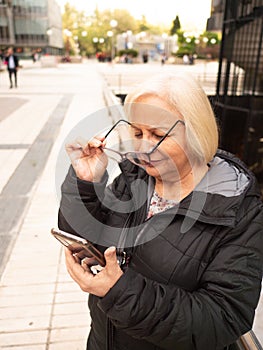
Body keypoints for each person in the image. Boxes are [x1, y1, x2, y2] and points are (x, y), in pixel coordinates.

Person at [58, 72, 263, 350]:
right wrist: (86, 182)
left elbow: (224, 319)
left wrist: (118, 293)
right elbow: (88, 236)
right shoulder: (133, 179)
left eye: (157, 134)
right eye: (137, 132)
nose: (143, 147)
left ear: (195, 132)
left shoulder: (240, 211)